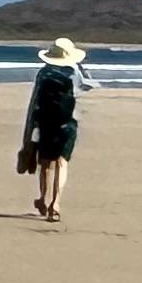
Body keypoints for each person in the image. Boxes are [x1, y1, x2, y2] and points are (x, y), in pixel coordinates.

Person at [19, 36, 86, 222]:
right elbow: (83, 88)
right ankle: (55, 204)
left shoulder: (43, 73)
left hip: (46, 123)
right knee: (62, 163)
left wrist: (29, 129)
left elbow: (35, 100)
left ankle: (43, 198)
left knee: (47, 165)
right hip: (68, 122)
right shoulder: (74, 71)